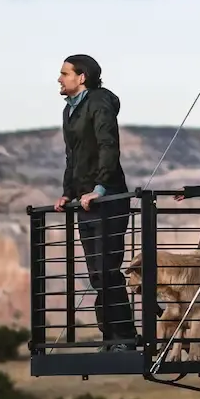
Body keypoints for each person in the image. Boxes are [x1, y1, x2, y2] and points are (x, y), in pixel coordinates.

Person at [56, 53, 134, 346]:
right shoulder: (70, 110)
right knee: (97, 273)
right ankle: (111, 335)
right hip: (86, 201)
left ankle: (124, 336)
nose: (60, 79)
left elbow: (107, 146)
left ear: (82, 77)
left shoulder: (98, 103)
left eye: (65, 73)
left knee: (107, 269)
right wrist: (68, 192)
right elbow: (72, 156)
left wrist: (100, 188)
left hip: (107, 198)